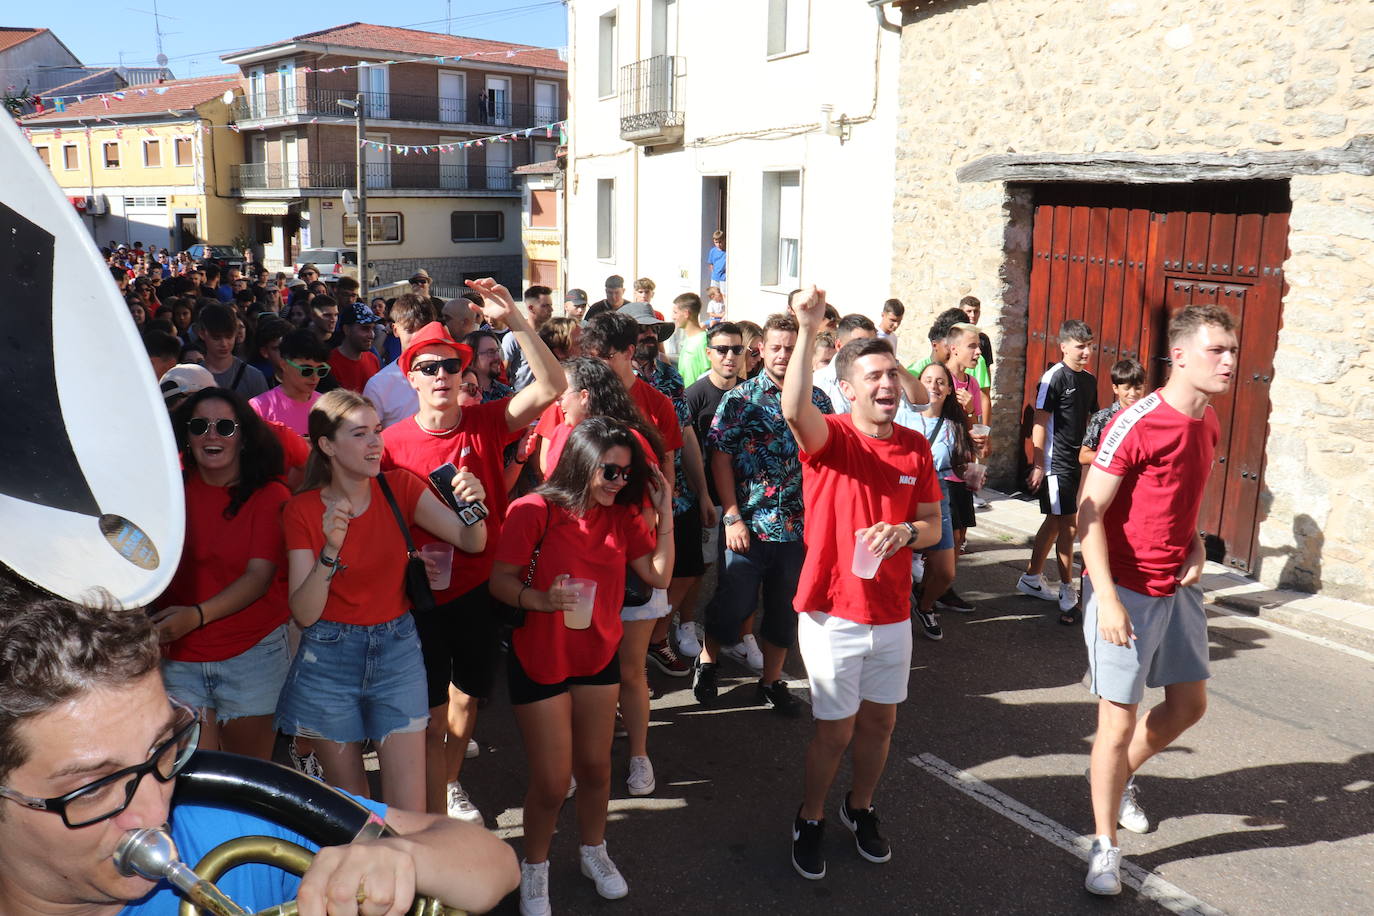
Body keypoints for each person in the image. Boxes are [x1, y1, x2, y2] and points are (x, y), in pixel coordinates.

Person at [0, 582, 520, 915]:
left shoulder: (224, 823)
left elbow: (492, 863)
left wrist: (401, 858)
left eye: (164, 750)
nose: (155, 812)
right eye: (92, 788)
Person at [381, 279, 566, 825]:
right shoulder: (389, 445)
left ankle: (451, 779)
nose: (442, 376)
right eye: (430, 367)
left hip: (482, 587)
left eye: (451, 367)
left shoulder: (485, 423)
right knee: (434, 714)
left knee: (468, 702)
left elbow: (553, 384)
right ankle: (436, 812)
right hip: (417, 597)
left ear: (465, 375)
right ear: (410, 376)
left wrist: (517, 322)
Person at [781, 287, 942, 881]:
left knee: (881, 724)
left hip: (891, 611)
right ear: (847, 389)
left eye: (892, 375)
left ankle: (860, 808)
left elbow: (930, 525)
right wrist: (805, 326)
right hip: (832, 611)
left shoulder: (916, 446)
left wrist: (904, 533)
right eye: (873, 376)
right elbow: (794, 409)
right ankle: (811, 815)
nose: (887, 385)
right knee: (836, 729)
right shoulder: (832, 438)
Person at [1077, 305, 1238, 896]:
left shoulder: (1209, 421)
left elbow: (1180, 496)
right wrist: (1108, 601)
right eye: (1216, 350)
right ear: (1180, 355)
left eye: (1231, 349)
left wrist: (1194, 541)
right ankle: (1103, 848)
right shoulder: (1137, 422)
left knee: (1189, 706)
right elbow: (1088, 515)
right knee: (1115, 724)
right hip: (1124, 588)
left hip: (1177, 585)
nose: (1228, 360)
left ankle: (1118, 780)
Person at [490, 417, 674, 916]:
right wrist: (540, 600)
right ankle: (535, 867)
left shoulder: (622, 517)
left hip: (597, 656)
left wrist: (665, 515)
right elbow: (500, 582)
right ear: (582, 463)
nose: (618, 482)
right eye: (609, 472)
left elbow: (658, 575)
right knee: (552, 781)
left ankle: (594, 851)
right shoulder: (533, 511)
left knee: (594, 769)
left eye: (625, 474)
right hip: (541, 656)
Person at [278, 389, 488, 813]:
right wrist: (330, 549)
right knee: (359, 813)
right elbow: (303, 612)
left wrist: (472, 506)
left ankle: (411, 878)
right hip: (327, 660)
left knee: (408, 809)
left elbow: (471, 541)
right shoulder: (300, 511)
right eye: (360, 434)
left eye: (377, 431)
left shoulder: (402, 488)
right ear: (327, 445)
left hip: (397, 652)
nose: (376, 442)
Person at [694, 313, 833, 715]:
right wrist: (732, 515)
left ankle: (771, 682)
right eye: (776, 347)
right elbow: (719, 458)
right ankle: (708, 660)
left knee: (784, 611)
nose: (784, 355)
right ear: (761, 350)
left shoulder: (817, 402)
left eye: (791, 348)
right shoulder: (741, 399)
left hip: (798, 529)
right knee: (733, 604)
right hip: (748, 526)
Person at [153, 388, 289, 760]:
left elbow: (258, 577)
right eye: (200, 426)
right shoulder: (166, 494)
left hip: (252, 655)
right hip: (179, 656)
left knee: (246, 779)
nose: (211, 435)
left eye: (225, 426)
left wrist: (194, 617)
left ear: (243, 437)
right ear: (187, 437)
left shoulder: (270, 495)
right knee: (196, 782)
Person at [1017, 319, 1098, 624]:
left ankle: (1031, 577)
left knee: (1054, 523)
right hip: (1055, 465)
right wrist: (1039, 464)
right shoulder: (1053, 379)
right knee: (1069, 526)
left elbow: (1092, 421)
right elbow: (1039, 421)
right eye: (1080, 346)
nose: (1086, 351)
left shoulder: (1089, 381)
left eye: (1089, 345)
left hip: (1077, 464)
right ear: (1063, 346)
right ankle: (1068, 589)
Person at [895, 363, 975, 641]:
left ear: (950, 389)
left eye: (941, 382)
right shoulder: (902, 414)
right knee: (898, 565)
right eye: (927, 380)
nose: (934, 386)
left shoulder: (955, 426)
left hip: (936, 493)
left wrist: (973, 472)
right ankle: (895, 619)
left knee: (945, 571)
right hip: (901, 491)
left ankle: (925, 605)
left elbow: (961, 466)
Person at [365, 294, 438, 429]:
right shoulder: (378, 385)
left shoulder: (451, 374)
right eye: (410, 330)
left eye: (423, 329)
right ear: (395, 330)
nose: (418, 337)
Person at [249, 329, 330, 437]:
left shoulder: (327, 406)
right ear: (284, 365)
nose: (315, 377)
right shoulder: (259, 407)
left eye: (321, 370)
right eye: (306, 370)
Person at [194, 303, 269, 400]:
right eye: (216, 338)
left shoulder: (253, 377)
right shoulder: (192, 377)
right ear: (202, 334)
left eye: (229, 336)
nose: (224, 344)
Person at [1080, 358, 1147, 465]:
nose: (1133, 393)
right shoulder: (1102, 418)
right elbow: (1084, 456)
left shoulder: (1150, 416)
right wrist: (1117, 458)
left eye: (1138, 388)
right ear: (1115, 388)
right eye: (1127, 388)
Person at [814, 314, 880, 414]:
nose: (866, 351)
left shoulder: (880, 382)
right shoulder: (817, 383)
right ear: (839, 345)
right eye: (858, 345)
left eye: (872, 345)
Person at [328, 304, 383, 393]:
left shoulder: (373, 359)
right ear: (346, 329)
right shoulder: (330, 364)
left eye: (372, 328)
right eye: (365, 328)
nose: (372, 335)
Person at [465, 329, 516, 403]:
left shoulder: (506, 393)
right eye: (490, 352)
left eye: (497, 351)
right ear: (471, 358)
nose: (498, 357)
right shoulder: (461, 395)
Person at [673, 292, 711, 386]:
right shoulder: (689, 340)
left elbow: (708, 375)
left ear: (686, 313)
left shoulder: (703, 341)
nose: (673, 317)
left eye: (675, 312)